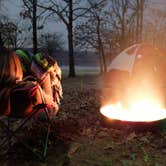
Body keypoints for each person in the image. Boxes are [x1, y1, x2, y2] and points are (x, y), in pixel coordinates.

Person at [0, 47, 57, 116]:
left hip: (12, 112)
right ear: (16, 67)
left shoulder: (3, 93)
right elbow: (50, 102)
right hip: (28, 109)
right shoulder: (30, 89)